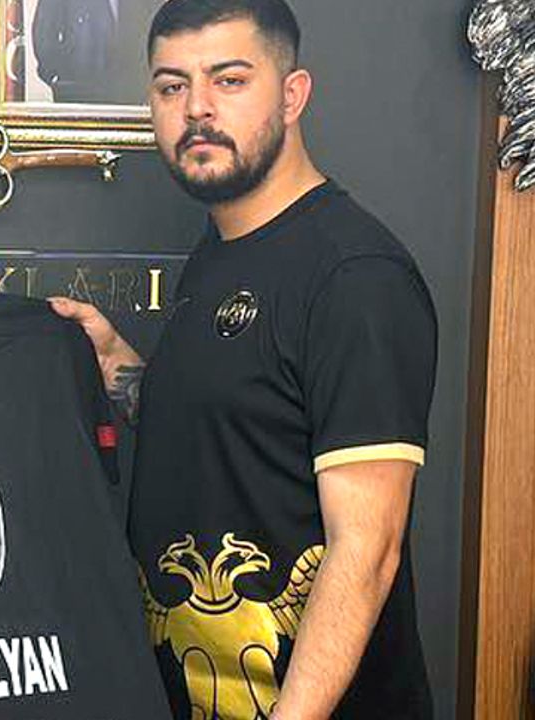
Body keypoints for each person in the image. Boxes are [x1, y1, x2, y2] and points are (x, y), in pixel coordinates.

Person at [50, 0, 437, 717]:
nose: (197, 108)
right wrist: (119, 366)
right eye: (172, 86)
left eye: (229, 80)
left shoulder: (355, 276)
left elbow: (367, 550)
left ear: (292, 95)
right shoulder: (220, 254)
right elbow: (241, 430)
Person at [32, 0, 160, 103]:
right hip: (76, 90)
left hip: (130, 91)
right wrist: (58, 78)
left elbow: (157, 25)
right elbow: (45, 33)